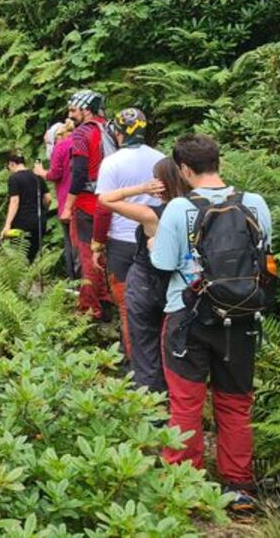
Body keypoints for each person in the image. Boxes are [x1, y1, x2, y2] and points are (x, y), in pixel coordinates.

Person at [150, 135, 273, 517]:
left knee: (186, 403)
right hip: (242, 318)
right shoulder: (255, 203)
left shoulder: (177, 209)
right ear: (218, 162)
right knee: (236, 403)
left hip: (188, 318)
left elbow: (163, 265)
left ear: (184, 170)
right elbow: (264, 257)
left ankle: (185, 486)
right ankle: (239, 488)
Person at [98, 157, 191, 397]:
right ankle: (175, 395)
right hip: (178, 285)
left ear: (162, 183)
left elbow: (106, 199)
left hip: (146, 284)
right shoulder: (194, 210)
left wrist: (141, 189)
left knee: (144, 343)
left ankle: (152, 401)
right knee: (172, 343)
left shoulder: (152, 214)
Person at [93, 108, 165, 359]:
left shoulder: (111, 162)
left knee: (127, 306)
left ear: (118, 132)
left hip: (122, 242)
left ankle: (134, 361)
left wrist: (97, 244)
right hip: (156, 237)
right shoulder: (161, 159)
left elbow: (103, 207)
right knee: (160, 302)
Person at [62, 89, 115, 321]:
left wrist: (67, 205)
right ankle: (105, 297)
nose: (70, 115)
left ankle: (89, 309)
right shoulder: (110, 128)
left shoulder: (82, 133)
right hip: (111, 202)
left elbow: (80, 172)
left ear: (86, 110)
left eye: (74, 110)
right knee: (103, 253)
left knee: (87, 255)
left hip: (86, 203)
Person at [35, 119, 79, 280]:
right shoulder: (80, 141)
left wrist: (41, 172)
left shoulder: (61, 146)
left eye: (48, 143)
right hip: (85, 199)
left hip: (67, 200)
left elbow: (55, 174)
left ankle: (75, 281)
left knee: (71, 243)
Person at [2, 153, 50, 262]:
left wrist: (7, 225)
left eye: (8, 167)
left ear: (12, 164)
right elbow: (48, 198)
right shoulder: (37, 176)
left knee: (19, 257)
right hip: (39, 222)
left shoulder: (14, 178)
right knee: (32, 256)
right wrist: (43, 210)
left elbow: (14, 201)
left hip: (22, 223)